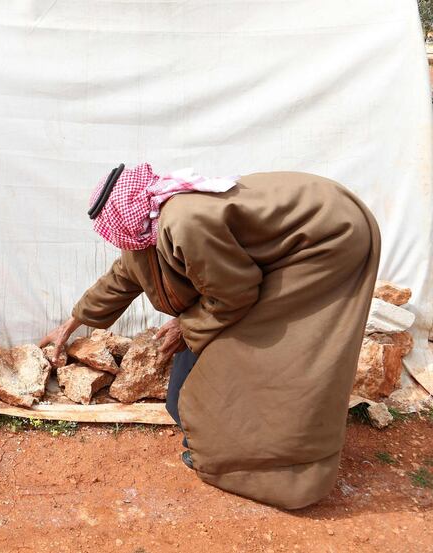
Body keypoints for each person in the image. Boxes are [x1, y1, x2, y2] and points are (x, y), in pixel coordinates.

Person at [40, 163, 380, 509]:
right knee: (216, 362)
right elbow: (122, 277)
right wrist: (70, 325)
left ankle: (269, 467)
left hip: (327, 239)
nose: (110, 235)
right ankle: (232, 443)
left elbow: (235, 295)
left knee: (262, 354)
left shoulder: (185, 222)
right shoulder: (150, 225)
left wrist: (186, 326)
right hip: (304, 239)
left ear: (125, 213)